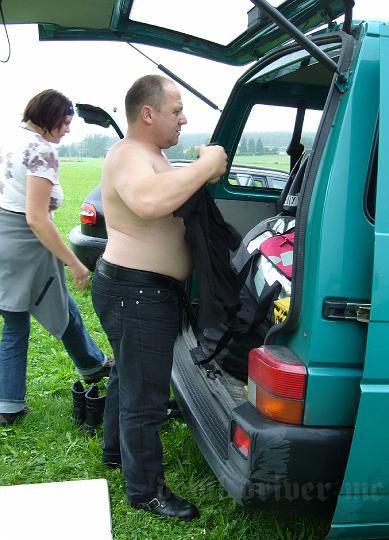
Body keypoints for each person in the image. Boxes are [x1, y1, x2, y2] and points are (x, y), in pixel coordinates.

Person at [91, 74, 227, 520]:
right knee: (145, 396)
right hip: (136, 292)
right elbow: (149, 203)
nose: (183, 119)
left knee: (127, 376)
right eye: (176, 110)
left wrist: (200, 169)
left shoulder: (151, 155)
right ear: (147, 114)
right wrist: (207, 165)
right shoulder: (130, 153)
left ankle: (115, 451)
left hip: (138, 290)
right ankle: (145, 491)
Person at [0, 89, 114, 428]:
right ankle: (8, 405)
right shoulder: (42, 151)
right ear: (49, 118)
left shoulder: (12, 139)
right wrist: (75, 263)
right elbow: (37, 218)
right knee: (30, 317)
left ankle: (91, 364)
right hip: (26, 246)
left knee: (47, 307)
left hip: (5, 239)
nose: (67, 130)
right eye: (64, 123)